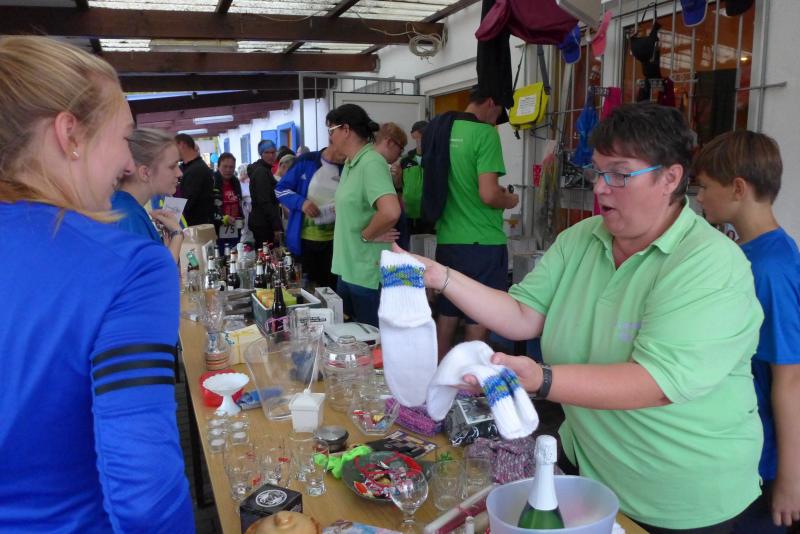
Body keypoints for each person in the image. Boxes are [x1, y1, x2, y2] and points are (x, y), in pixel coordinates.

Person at [402, 103, 764, 532]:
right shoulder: (581, 239)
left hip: (680, 492)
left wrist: (540, 378)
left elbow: (657, 382)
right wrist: (441, 277)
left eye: (620, 174)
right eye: (597, 172)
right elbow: (521, 315)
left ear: (670, 178)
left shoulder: (710, 264)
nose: (601, 188)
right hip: (592, 469)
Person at [0, 35, 193, 531]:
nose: (128, 164)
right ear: (70, 134)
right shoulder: (129, 268)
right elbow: (145, 495)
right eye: (124, 138)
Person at [694, 130, 800, 533]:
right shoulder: (745, 253)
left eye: (705, 186)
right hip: (735, 444)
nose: (700, 197)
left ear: (738, 188)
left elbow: (790, 378)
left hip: (763, 461)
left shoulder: (771, 269)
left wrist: (789, 478)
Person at [432, 89, 519, 357]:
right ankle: (470, 378)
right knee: (479, 316)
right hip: (483, 243)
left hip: (448, 241)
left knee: (447, 314)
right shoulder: (484, 133)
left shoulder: (441, 130)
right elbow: (489, 194)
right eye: (499, 113)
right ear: (491, 102)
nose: (496, 120)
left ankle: (438, 376)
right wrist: (509, 200)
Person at [328, 104, 401, 326]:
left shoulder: (371, 162)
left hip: (365, 271)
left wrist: (367, 235)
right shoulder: (351, 162)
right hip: (347, 266)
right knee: (351, 337)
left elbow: (390, 211)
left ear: (346, 130)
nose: (330, 137)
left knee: (370, 338)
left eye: (332, 130)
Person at [275, 145, 346, 289]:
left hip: (334, 244)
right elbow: (280, 190)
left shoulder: (347, 167)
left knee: (329, 291)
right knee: (304, 290)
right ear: (334, 140)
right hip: (303, 243)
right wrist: (302, 203)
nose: (347, 155)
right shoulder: (306, 161)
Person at [112, 127, 184, 263]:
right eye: (172, 166)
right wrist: (177, 234)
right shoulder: (129, 216)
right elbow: (159, 275)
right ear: (145, 173)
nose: (179, 173)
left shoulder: (127, 208)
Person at [373, 122, 409, 248]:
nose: (400, 155)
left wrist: (398, 182)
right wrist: (371, 234)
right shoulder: (371, 165)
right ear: (389, 142)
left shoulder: (381, 165)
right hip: (381, 235)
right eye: (400, 148)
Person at [174, 132, 214, 226]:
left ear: (182, 144)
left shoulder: (196, 170)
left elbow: (185, 203)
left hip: (196, 227)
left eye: (173, 147)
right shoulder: (188, 168)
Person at [248, 139, 282, 248]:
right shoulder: (261, 172)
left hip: (262, 222)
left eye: (273, 152)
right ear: (261, 154)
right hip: (263, 223)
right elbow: (265, 201)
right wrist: (276, 226)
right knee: (267, 254)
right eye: (267, 152)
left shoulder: (264, 170)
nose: (271, 156)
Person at [400, 120, 430, 235]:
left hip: (430, 214)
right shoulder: (404, 160)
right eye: (420, 133)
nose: (422, 137)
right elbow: (399, 185)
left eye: (425, 133)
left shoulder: (436, 158)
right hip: (408, 215)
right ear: (413, 135)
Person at [213, 152, 244, 254]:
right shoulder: (212, 181)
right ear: (218, 166)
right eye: (225, 166)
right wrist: (222, 218)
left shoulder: (235, 181)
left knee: (234, 256)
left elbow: (239, 202)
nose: (228, 170)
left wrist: (241, 218)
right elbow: (208, 207)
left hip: (234, 228)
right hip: (218, 230)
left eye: (231, 167)